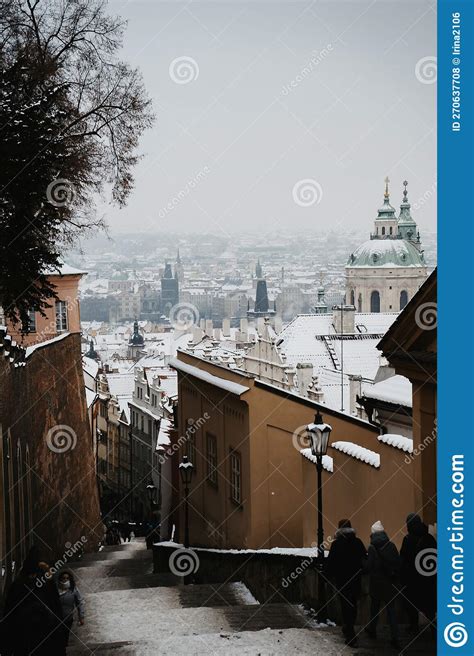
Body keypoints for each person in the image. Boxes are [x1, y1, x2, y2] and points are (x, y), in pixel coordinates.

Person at [1, 552, 59, 655]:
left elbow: (9, 612)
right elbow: (55, 606)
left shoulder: (17, 585)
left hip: (23, 635)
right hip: (39, 634)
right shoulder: (44, 584)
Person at [325, 519, 367, 648]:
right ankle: (350, 627)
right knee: (353, 604)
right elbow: (364, 558)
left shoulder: (337, 544)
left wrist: (328, 575)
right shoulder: (358, 542)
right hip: (355, 579)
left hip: (342, 580)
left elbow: (331, 562)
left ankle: (349, 631)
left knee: (345, 604)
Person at [365, 521, 401, 649]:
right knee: (391, 610)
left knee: (374, 608)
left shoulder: (372, 548)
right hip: (389, 583)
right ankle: (395, 637)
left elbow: (369, 566)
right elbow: (398, 562)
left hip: (376, 583)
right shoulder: (391, 545)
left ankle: (372, 630)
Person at [400, 513, 437, 634]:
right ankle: (434, 628)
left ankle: (414, 626)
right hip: (427, 577)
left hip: (412, 578)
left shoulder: (408, 539)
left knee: (411, 604)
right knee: (428, 605)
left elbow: (403, 559)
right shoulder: (429, 538)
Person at [56, 569, 85, 653]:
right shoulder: (56, 590)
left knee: (64, 638)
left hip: (68, 619)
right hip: (56, 619)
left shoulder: (73, 589)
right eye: (63, 578)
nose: (65, 580)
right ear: (60, 579)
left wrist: (81, 616)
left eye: (67, 578)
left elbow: (80, 602)